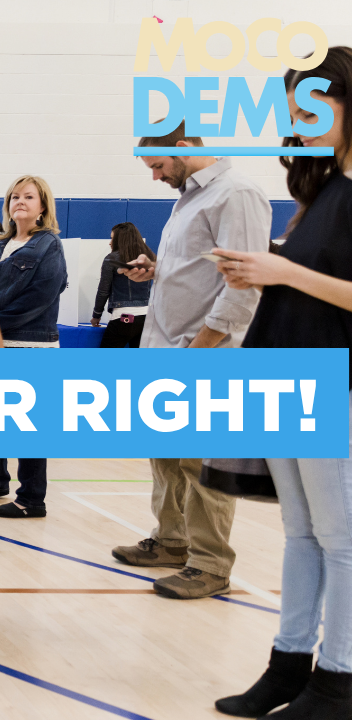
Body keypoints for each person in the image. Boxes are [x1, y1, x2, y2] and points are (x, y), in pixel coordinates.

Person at [213, 46, 352, 719]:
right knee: (301, 533)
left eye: (309, 107)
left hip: (336, 379)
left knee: (342, 539)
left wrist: (283, 272)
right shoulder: (324, 188)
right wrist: (260, 265)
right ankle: (290, 663)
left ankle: (340, 681)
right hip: (292, 372)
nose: (295, 122)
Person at [110, 121, 271, 600]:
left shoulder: (236, 193)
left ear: (183, 148)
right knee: (167, 457)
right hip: (169, 349)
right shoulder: (191, 198)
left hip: (205, 354)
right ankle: (171, 541)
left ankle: (210, 563)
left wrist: (199, 351)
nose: (155, 176)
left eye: (158, 165)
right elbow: (203, 269)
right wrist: (158, 270)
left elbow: (241, 287)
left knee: (202, 464)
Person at [0, 175, 67, 519]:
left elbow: (39, 298)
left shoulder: (49, 245)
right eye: (15, 196)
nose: (20, 201)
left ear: (42, 206)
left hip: (29, 346)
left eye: (29, 197)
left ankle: (32, 499)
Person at [90, 222, 154, 348]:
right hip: (145, 317)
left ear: (120, 239)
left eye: (112, 238)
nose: (110, 242)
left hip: (123, 318)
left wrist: (96, 316)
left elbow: (103, 290)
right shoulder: (148, 258)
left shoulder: (111, 259)